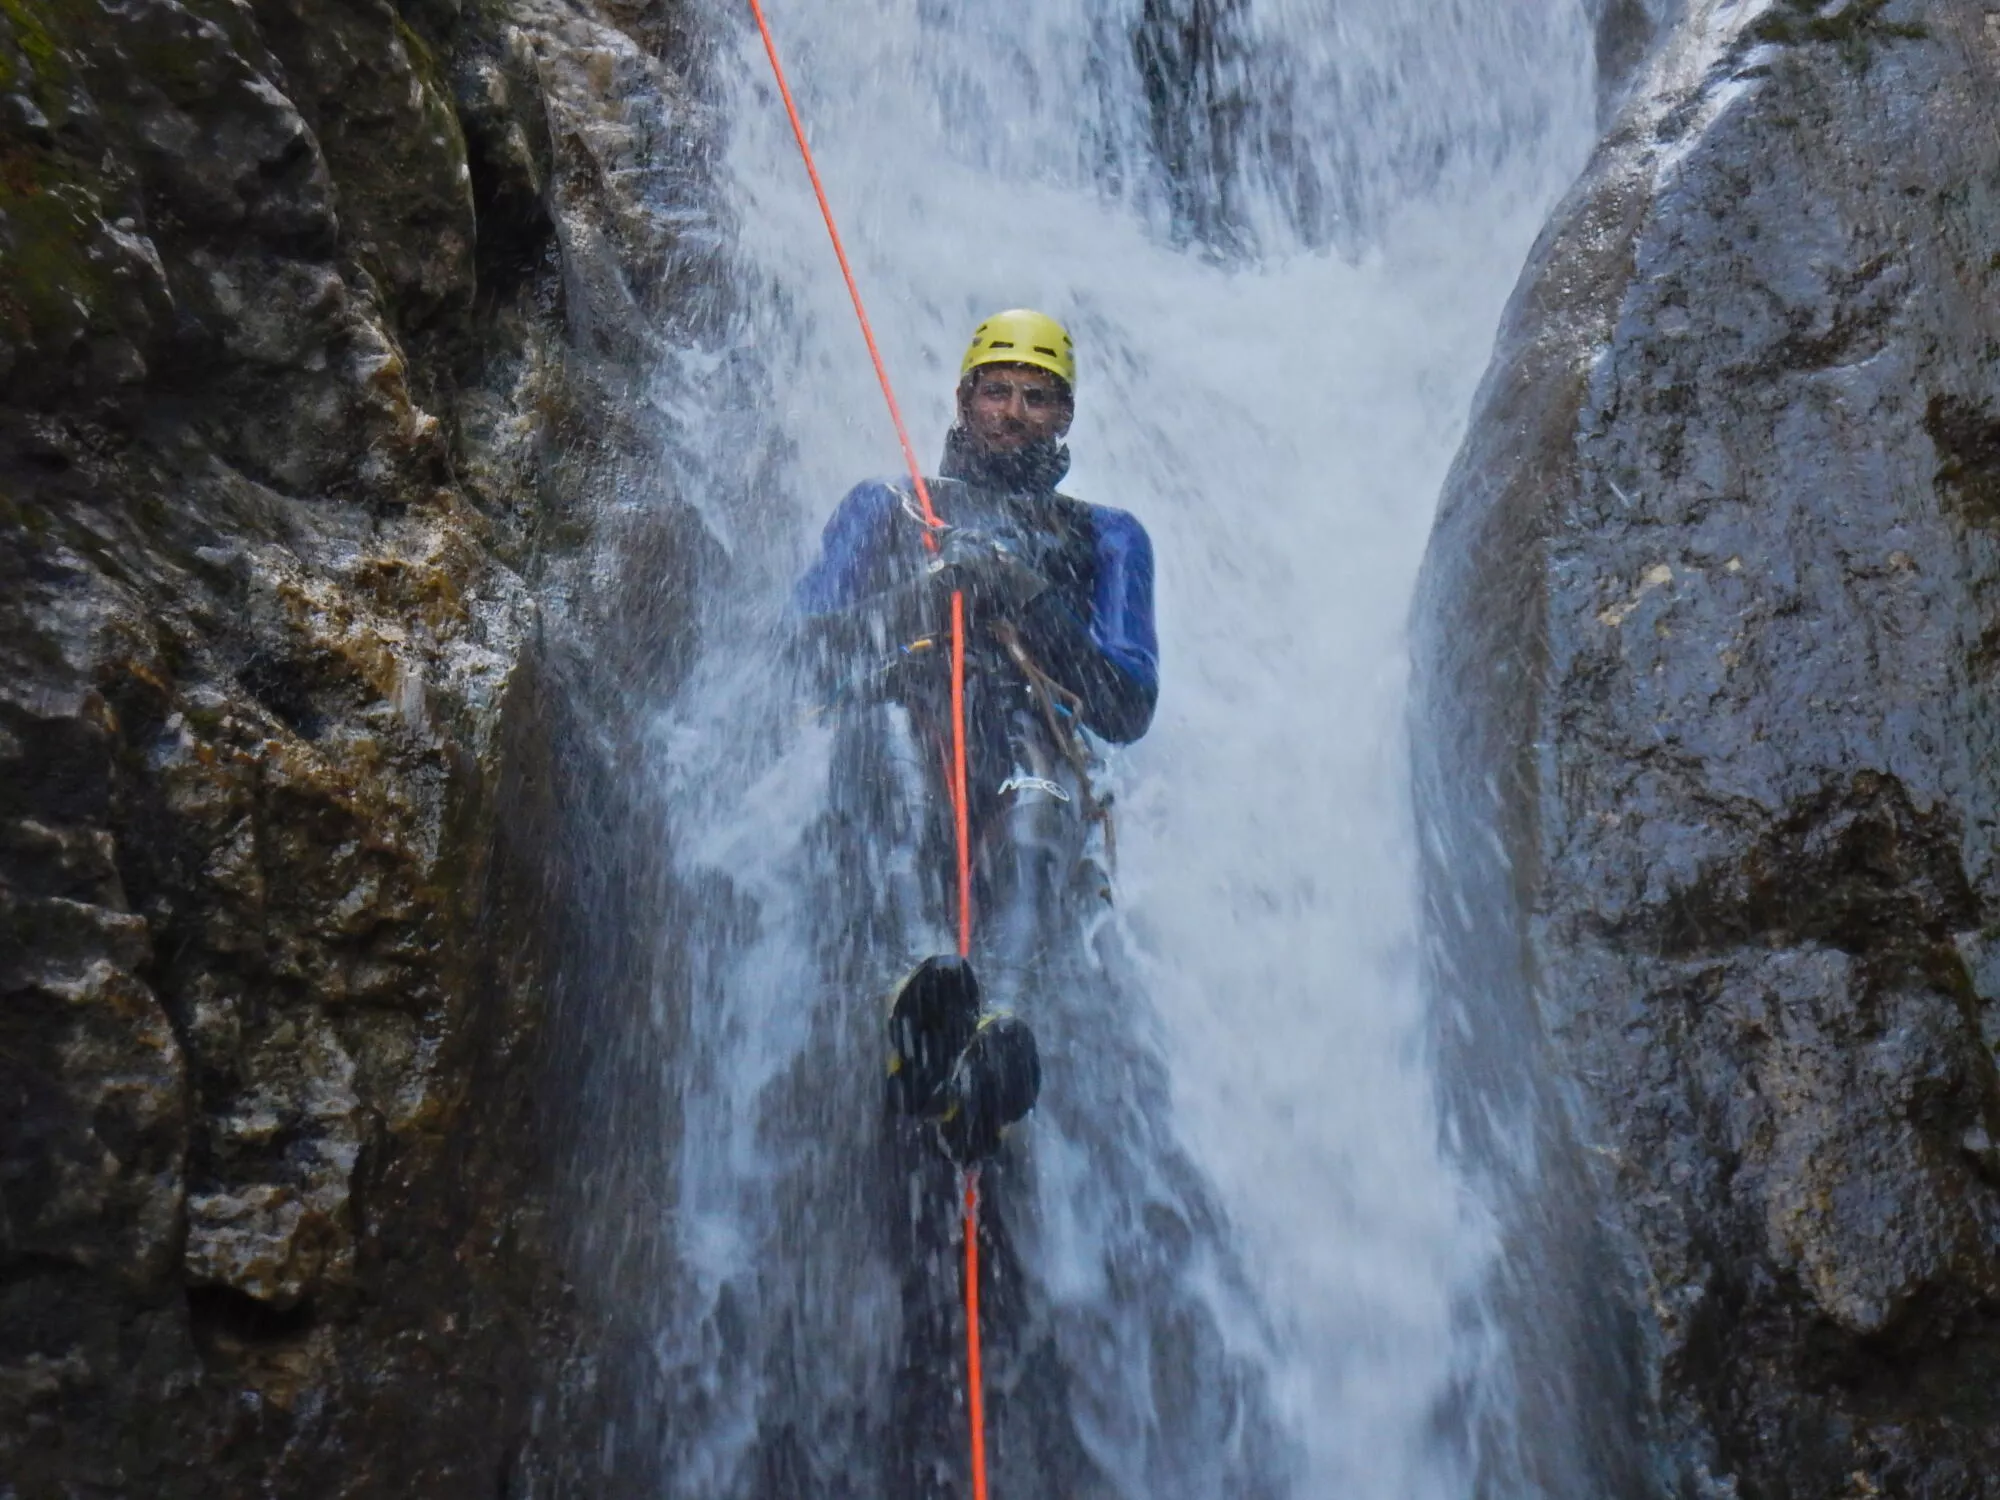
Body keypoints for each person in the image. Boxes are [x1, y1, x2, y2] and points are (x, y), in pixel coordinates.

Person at [793, 309, 1159, 1164]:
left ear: (1066, 415)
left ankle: (1001, 1024)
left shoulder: (1107, 535)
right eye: (996, 391)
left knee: (1038, 813)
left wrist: (1024, 591)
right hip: (901, 709)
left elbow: (1127, 704)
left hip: (1034, 731)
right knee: (885, 754)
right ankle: (912, 996)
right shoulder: (887, 505)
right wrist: (922, 596)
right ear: (962, 398)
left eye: (1038, 397)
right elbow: (799, 647)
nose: (1014, 413)